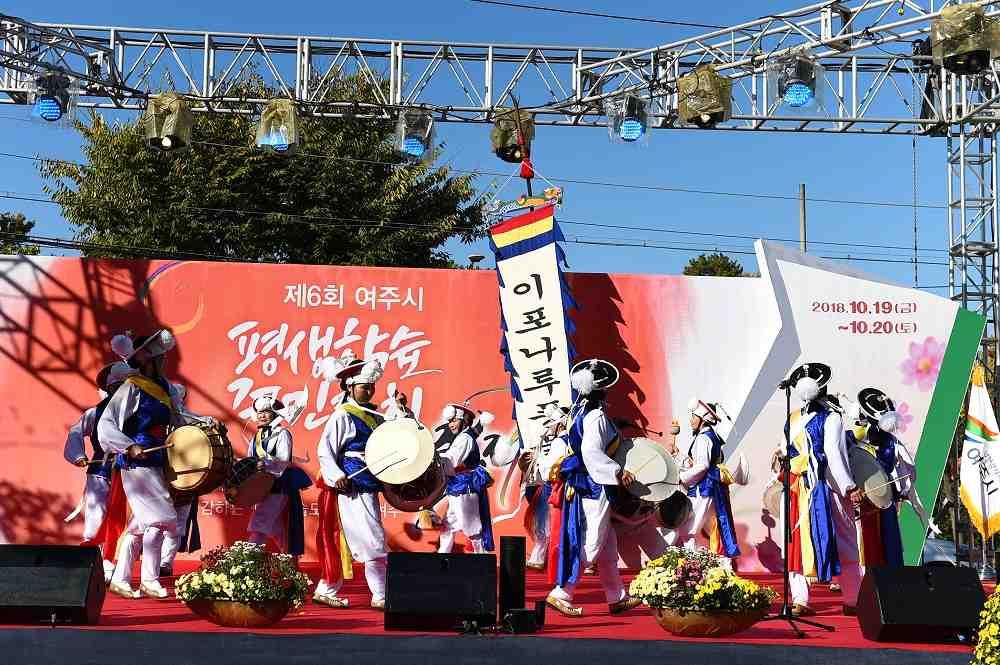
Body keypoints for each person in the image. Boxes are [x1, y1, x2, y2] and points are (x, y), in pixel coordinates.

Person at [98, 330, 216, 599]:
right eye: (160, 357)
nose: (165, 361)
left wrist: (206, 422)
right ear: (148, 359)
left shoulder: (164, 387)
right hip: (136, 461)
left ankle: (122, 578)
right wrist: (129, 445)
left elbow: (180, 416)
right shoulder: (132, 386)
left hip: (157, 458)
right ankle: (148, 578)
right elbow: (107, 423)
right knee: (163, 519)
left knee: (141, 524)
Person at [545, 359, 640, 618]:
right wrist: (617, 471)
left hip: (586, 482)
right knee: (592, 541)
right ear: (604, 391)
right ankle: (561, 593)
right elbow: (590, 451)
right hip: (593, 485)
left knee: (608, 546)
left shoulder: (581, 412)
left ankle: (617, 597)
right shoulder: (596, 416)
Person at [776, 362, 860, 617]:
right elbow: (834, 455)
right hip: (822, 488)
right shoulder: (832, 418)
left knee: (794, 544)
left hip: (797, 487)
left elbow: (783, 450)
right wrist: (849, 487)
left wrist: (781, 456)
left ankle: (801, 601)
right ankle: (853, 600)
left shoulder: (793, 419)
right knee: (846, 543)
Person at [315, 354, 389, 610]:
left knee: (363, 537)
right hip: (351, 483)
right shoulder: (342, 415)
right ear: (349, 387)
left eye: (371, 386)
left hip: (368, 480)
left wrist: (402, 410)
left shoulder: (374, 416)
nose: (368, 391)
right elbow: (325, 449)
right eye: (363, 386)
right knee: (370, 538)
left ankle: (326, 589)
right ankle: (379, 594)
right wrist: (336, 476)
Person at [844, 388, 929, 608]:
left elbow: (905, 471)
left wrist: (901, 490)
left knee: (886, 543)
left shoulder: (890, 443)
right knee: (868, 543)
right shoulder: (855, 438)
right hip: (862, 499)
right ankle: (871, 587)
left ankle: (890, 587)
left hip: (882, 500)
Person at [64, 361, 136, 582]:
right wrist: (78, 455)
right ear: (110, 387)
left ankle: (109, 564)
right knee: (96, 517)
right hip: (101, 468)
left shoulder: (136, 411)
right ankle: (88, 564)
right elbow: (75, 433)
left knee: (121, 519)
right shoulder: (95, 412)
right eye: (117, 386)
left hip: (129, 470)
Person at [244, 395, 311, 558]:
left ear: (275, 414)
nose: (262, 415)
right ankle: (290, 560)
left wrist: (264, 465)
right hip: (262, 487)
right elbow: (250, 459)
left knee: (259, 523)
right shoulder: (255, 437)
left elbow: (283, 459)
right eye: (259, 412)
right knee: (276, 528)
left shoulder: (282, 433)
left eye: (266, 411)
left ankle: (246, 562)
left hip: (278, 485)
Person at [675, 399, 740, 564]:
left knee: (688, 529)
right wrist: (680, 457)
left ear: (703, 419)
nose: (690, 421)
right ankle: (724, 566)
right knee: (718, 525)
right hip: (714, 487)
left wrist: (681, 478)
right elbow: (699, 463)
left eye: (693, 417)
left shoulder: (703, 438)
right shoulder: (712, 436)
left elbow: (702, 466)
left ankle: (691, 568)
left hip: (704, 487)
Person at [437, 403, 495, 554]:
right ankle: (441, 557)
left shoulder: (464, 438)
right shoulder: (465, 436)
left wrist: (434, 458)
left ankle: (481, 559)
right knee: (448, 525)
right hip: (458, 485)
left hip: (464, 487)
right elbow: (475, 431)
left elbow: (452, 460)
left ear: (463, 421)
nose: (451, 425)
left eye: (454, 420)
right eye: (449, 421)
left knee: (472, 528)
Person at [520, 405, 569, 570]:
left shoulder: (558, 442)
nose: (551, 427)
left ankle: (541, 558)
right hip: (563, 486)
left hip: (554, 486)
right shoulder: (569, 440)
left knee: (546, 524)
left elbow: (551, 468)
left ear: (560, 425)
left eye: (553, 424)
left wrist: (538, 458)